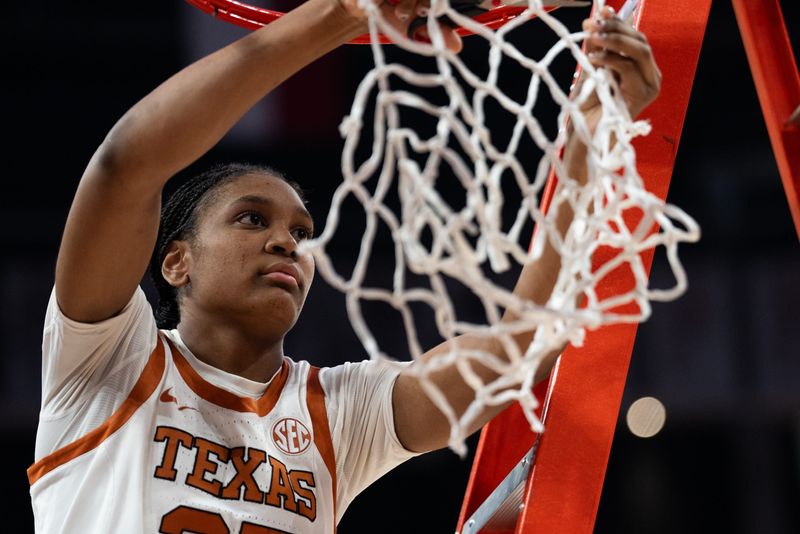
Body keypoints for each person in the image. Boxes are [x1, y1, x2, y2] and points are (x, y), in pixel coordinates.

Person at [28, 0, 661, 532]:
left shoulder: (337, 411)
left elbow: (525, 345)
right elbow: (123, 167)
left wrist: (592, 146)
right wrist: (341, 12)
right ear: (175, 262)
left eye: (301, 233)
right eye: (252, 219)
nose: (287, 243)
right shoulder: (108, 361)